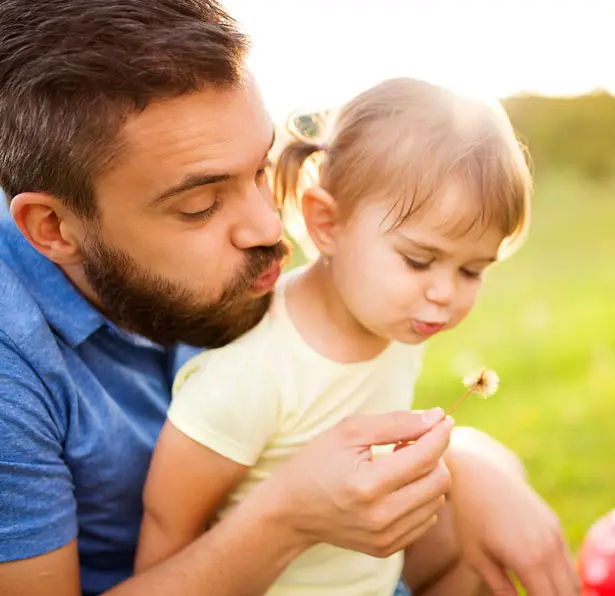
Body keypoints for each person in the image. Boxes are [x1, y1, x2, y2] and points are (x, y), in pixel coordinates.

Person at [0, 1, 577, 595]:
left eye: (260, 170)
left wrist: (475, 468)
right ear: (54, 228)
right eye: (200, 206)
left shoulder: (269, 266)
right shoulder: (10, 367)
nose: (271, 229)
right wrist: (289, 518)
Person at [133, 76, 537, 596]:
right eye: (419, 260)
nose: (445, 293)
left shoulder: (393, 318)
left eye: (472, 271)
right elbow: (169, 527)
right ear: (327, 223)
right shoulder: (250, 373)